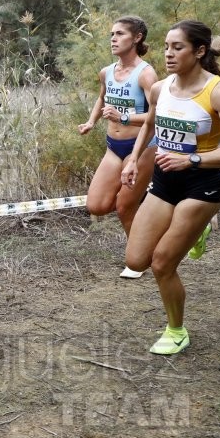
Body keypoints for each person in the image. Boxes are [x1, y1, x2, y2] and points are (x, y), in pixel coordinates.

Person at [120, 20, 220, 355]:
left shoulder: (218, 92)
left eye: (177, 47)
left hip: (201, 184)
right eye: (166, 46)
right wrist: (135, 159)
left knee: (162, 263)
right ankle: (199, 232)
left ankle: (176, 330)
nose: (168, 54)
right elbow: (150, 123)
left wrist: (192, 160)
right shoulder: (160, 88)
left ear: (199, 51)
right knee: (136, 261)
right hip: (165, 181)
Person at [77, 16, 158, 279]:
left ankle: (140, 260)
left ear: (137, 38)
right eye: (112, 34)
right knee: (97, 206)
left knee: (124, 207)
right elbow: (102, 97)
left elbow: (157, 116)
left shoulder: (146, 74)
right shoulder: (106, 71)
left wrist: (123, 117)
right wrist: (91, 121)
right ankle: (152, 209)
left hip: (142, 148)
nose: (113, 39)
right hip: (114, 147)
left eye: (120, 34)